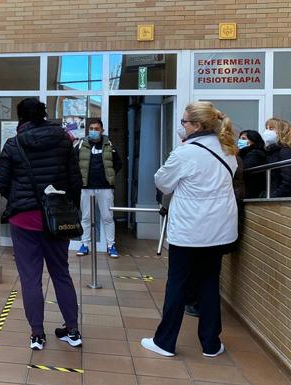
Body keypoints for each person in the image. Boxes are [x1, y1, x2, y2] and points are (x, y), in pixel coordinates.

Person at [142, 101, 238, 358]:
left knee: (178, 285)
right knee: (209, 283)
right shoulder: (228, 149)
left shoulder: (184, 153)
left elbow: (162, 183)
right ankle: (211, 344)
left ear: (196, 125)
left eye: (184, 122)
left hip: (190, 231)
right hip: (220, 230)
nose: (181, 126)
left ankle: (165, 341)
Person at [0, 98, 83, 350]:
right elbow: (75, 180)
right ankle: (72, 329)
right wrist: (68, 207)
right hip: (57, 218)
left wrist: (19, 197)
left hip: (24, 219)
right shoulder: (64, 140)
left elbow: (1, 181)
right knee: (61, 273)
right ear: (45, 114)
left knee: (30, 277)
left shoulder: (14, 143)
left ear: (20, 117)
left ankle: (36, 334)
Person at [74, 118, 122, 258]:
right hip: (86, 187)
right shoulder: (81, 144)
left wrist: (110, 176)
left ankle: (111, 245)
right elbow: (73, 162)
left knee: (107, 217)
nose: (94, 131)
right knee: (86, 217)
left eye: (96, 129)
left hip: (105, 187)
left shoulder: (109, 145)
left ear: (102, 130)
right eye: (91, 129)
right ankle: (85, 244)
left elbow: (118, 163)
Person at [262, 118, 291, 197]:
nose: (267, 132)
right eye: (266, 128)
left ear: (282, 132)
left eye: (271, 128)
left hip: (280, 202)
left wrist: (272, 197)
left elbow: (290, 182)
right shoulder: (272, 152)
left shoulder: (286, 152)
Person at [238, 130, 267, 198]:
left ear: (253, 141)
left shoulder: (256, 154)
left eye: (243, 139)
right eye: (239, 138)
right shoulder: (244, 153)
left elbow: (243, 169)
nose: (240, 141)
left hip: (251, 192)